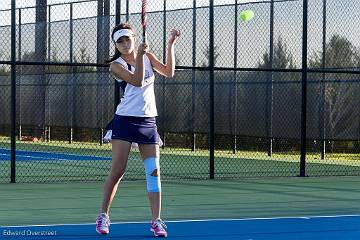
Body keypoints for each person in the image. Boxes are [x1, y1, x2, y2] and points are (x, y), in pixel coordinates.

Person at [96, 22, 180, 238]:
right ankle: (103, 215)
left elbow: (169, 72)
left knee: (154, 172)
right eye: (120, 41)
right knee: (118, 171)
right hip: (124, 121)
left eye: (127, 39)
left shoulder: (148, 57)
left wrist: (170, 45)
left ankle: (156, 221)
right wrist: (142, 56)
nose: (124, 44)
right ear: (116, 44)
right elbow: (137, 80)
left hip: (148, 123)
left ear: (134, 37)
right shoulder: (116, 65)